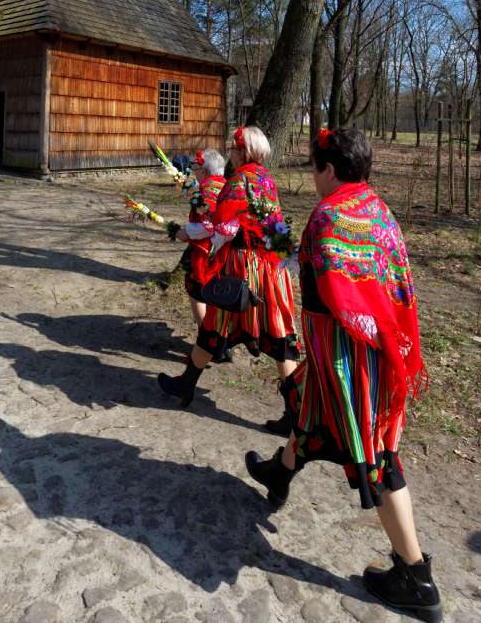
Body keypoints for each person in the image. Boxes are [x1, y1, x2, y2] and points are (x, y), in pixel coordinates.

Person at [245, 127, 441, 623]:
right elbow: (392, 283)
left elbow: (334, 291)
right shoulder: (377, 210)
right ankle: (279, 472)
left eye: (313, 167)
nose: (312, 177)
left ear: (329, 169)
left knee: (374, 456)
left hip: (348, 363)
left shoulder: (328, 215)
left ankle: (415, 577)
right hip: (370, 355)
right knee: (311, 419)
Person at [158, 125, 299, 427]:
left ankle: (186, 384)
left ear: (241, 152)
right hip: (271, 268)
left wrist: (187, 233)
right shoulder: (266, 180)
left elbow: (216, 225)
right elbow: (270, 224)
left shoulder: (237, 183)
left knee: (215, 324)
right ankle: (294, 412)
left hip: (242, 265)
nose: (231, 155)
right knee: (278, 335)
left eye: (233, 150)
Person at [176, 148, 227, 342]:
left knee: (196, 291)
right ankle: (221, 338)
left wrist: (186, 232)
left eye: (196, 168)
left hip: (206, 252)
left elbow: (208, 224)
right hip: (225, 250)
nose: (194, 172)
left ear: (204, 171)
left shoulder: (207, 190)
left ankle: (209, 340)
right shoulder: (226, 185)